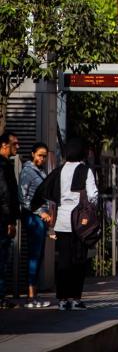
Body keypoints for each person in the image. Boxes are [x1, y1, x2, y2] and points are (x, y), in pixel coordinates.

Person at [33, 138, 98, 311]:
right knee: (78, 261)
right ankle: (75, 298)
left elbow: (44, 190)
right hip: (80, 224)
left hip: (62, 222)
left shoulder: (59, 170)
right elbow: (93, 195)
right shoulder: (85, 170)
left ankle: (62, 300)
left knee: (63, 262)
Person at [18, 142, 53, 308]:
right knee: (34, 255)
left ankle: (35, 295)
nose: (42, 158)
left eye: (44, 156)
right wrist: (41, 212)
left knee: (38, 256)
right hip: (33, 217)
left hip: (41, 218)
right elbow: (23, 198)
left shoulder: (41, 171)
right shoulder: (27, 171)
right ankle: (31, 297)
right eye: (40, 155)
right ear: (33, 154)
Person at [0, 131, 21, 309]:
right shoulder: (3, 166)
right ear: (4, 145)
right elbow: (5, 194)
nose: (18, 147)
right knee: (2, 257)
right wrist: (10, 220)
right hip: (2, 219)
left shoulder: (6, 164)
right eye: (14, 144)